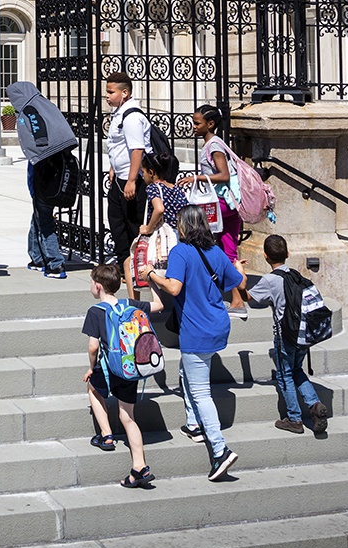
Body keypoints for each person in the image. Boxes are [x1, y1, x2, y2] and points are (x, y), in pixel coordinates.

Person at [145, 204, 244, 481]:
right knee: (187, 371)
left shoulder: (181, 252)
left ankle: (219, 449)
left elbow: (174, 287)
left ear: (184, 226)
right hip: (217, 326)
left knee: (202, 392)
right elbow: (238, 281)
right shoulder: (216, 251)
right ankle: (193, 424)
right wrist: (235, 266)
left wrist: (151, 275)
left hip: (197, 330)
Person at [82, 260, 154, 489]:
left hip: (109, 367)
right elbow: (160, 305)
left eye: (92, 283)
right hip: (130, 368)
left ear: (98, 286)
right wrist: (150, 278)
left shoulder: (95, 312)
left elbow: (93, 347)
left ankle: (106, 434)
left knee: (93, 387)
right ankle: (139, 465)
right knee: (128, 416)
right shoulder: (131, 304)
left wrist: (91, 367)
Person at [249, 233, 329, 436]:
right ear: (288, 253)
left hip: (285, 336)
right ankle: (314, 404)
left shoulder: (270, 280)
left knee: (285, 374)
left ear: (265, 256)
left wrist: (238, 274)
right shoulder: (296, 275)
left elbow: (247, 298)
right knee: (297, 370)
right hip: (304, 334)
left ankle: (294, 419)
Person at [6, 80, 77, 280]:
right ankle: (37, 257)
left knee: (44, 218)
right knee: (39, 213)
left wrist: (37, 156)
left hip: (45, 171)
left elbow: (39, 138)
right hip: (59, 166)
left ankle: (55, 264)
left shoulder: (29, 110)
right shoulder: (46, 105)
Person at [193, 106, 249, 317]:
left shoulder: (214, 145)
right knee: (228, 251)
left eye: (197, 123)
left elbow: (224, 175)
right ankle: (238, 297)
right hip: (229, 204)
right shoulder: (215, 144)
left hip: (220, 205)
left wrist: (196, 178)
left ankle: (225, 295)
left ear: (211, 124)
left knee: (201, 245)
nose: (194, 127)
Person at [104, 72, 151, 296]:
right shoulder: (119, 114)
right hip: (119, 178)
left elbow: (137, 150)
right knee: (117, 225)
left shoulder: (131, 116)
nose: (107, 96)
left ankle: (139, 285)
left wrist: (131, 180)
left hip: (131, 181)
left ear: (125, 93)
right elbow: (118, 147)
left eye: (111, 92)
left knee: (133, 231)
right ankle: (126, 273)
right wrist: (114, 168)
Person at [133, 158, 188, 282]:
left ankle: (152, 300)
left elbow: (159, 209)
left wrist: (148, 228)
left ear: (151, 173)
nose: (142, 176)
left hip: (163, 237)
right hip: (179, 234)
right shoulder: (176, 188)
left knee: (156, 269)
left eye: (143, 172)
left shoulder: (153, 188)